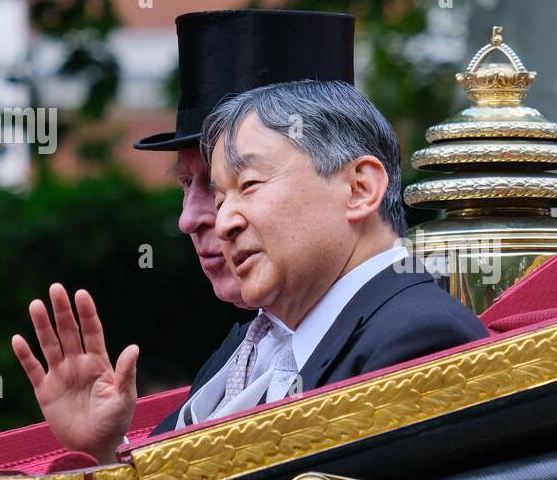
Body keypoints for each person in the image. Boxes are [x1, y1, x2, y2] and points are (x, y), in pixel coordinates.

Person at [12, 9, 356, 463]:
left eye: (234, 183)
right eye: (187, 184)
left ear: (355, 187)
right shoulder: (239, 350)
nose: (190, 219)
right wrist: (105, 450)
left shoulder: (401, 342)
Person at [172, 78, 488, 428]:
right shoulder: (247, 350)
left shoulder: (421, 338)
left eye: (249, 185)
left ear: (360, 188)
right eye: (221, 200)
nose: (223, 224)